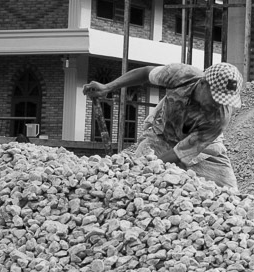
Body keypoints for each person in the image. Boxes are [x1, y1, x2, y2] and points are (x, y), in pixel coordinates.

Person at [83, 61, 243, 190]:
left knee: (229, 193)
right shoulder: (182, 75)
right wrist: (108, 87)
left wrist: (154, 167)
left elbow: (181, 152)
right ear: (203, 83)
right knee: (137, 180)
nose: (219, 104)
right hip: (161, 135)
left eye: (225, 100)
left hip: (202, 145)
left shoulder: (220, 118)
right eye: (216, 97)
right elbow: (146, 73)